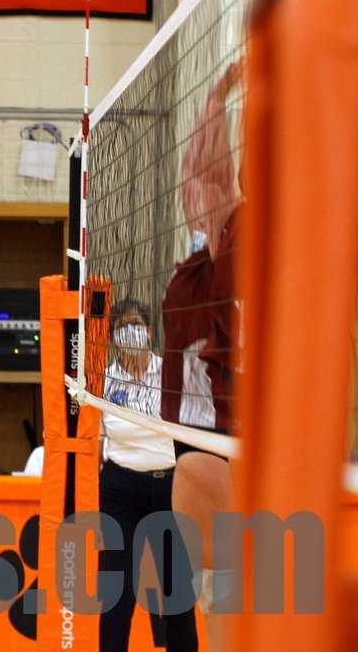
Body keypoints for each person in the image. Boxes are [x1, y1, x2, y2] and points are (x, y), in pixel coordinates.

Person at [161, 63, 241, 647]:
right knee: (217, 584)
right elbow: (202, 178)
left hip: (221, 430)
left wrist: (218, 99)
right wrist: (216, 99)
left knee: (230, 583)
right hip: (202, 431)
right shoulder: (203, 264)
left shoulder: (230, 250)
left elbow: (208, 180)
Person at [98, 299, 198, 652]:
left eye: (136, 324)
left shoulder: (173, 373)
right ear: (113, 338)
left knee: (176, 588)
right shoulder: (103, 380)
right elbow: (96, 441)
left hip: (168, 486)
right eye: (122, 326)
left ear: (150, 331)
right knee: (117, 590)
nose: (130, 331)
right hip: (120, 488)